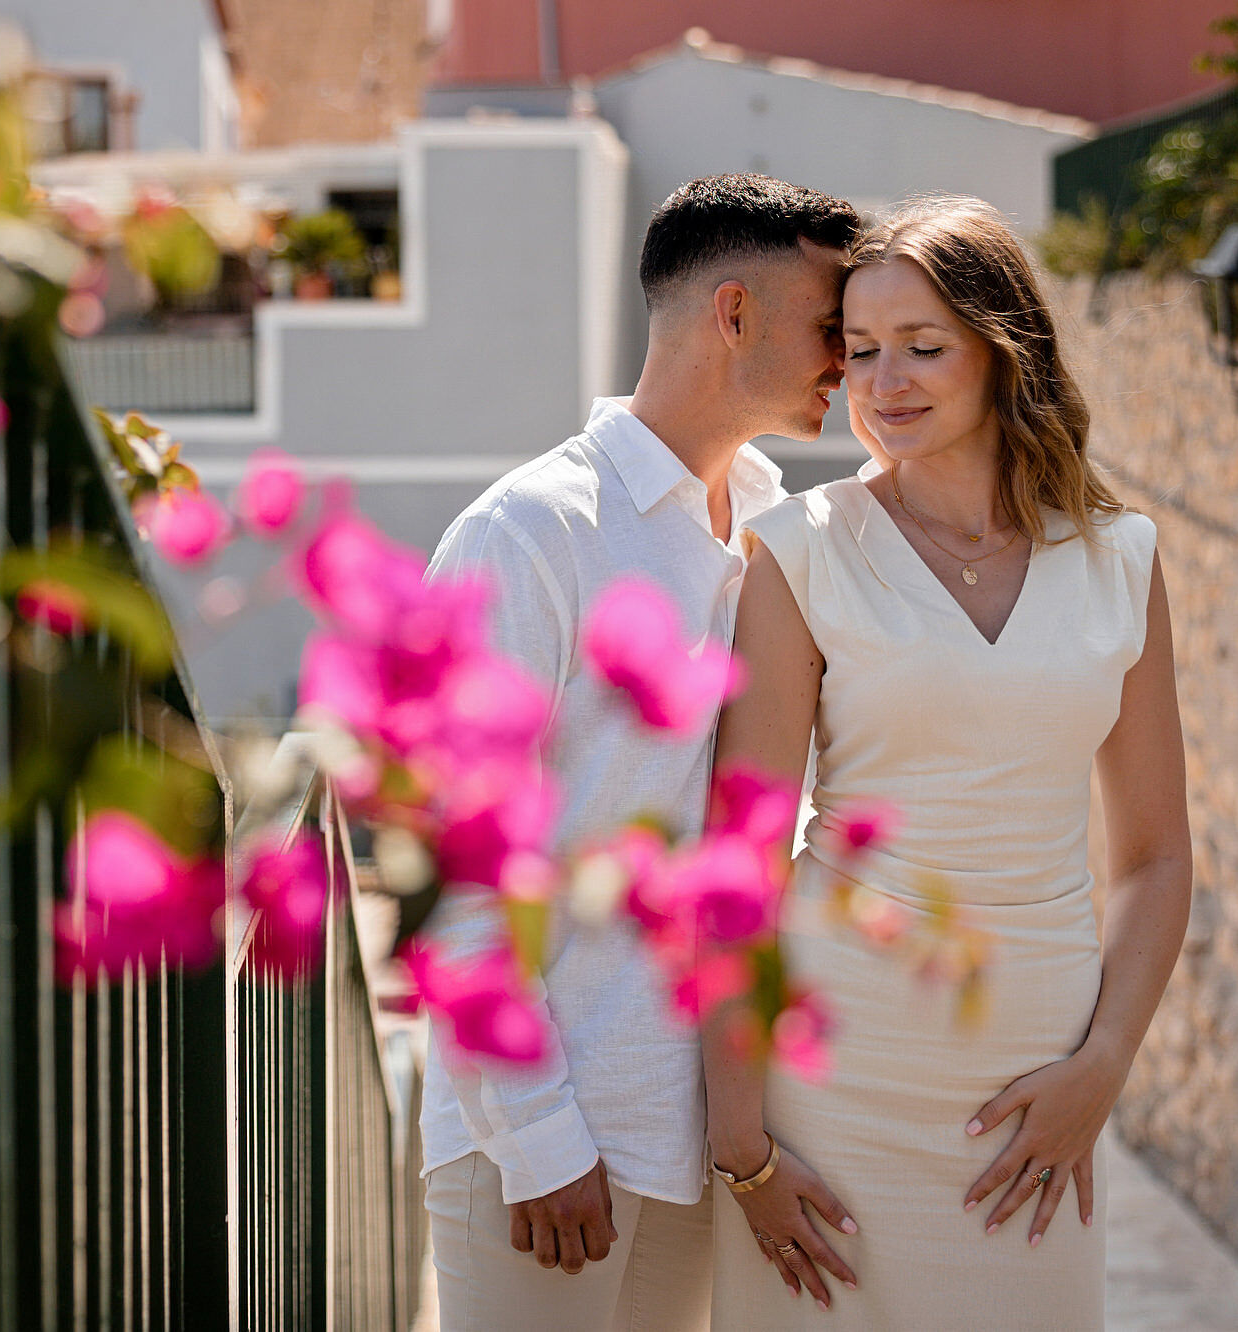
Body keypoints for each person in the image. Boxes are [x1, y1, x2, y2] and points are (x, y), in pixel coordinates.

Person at [703, 194, 1193, 1327]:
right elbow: (734, 863)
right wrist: (742, 1147)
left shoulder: (1119, 558)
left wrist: (1103, 1064)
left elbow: (1157, 857)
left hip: (1040, 1084)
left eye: (922, 347)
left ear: (1001, 351)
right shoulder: (798, 553)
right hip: (836, 1079)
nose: (884, 384)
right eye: (860, 351)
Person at [417, 174, 861, 1331]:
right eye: (831, 327)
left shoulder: (770, 531)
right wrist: (541, 1142)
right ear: (732, 315)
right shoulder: (525, 535)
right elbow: (456, 876)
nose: (848, 359)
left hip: (693, 1146)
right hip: (544, 1155)